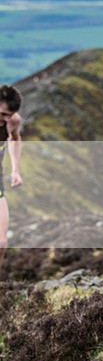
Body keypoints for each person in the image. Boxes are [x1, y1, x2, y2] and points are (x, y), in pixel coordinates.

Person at [0, 85, 23, 271]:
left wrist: (15, 170)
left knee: (1, 243)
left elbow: (14, 139)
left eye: (10, 114)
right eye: (2, 114)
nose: (6, 119)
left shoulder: (13, 121)